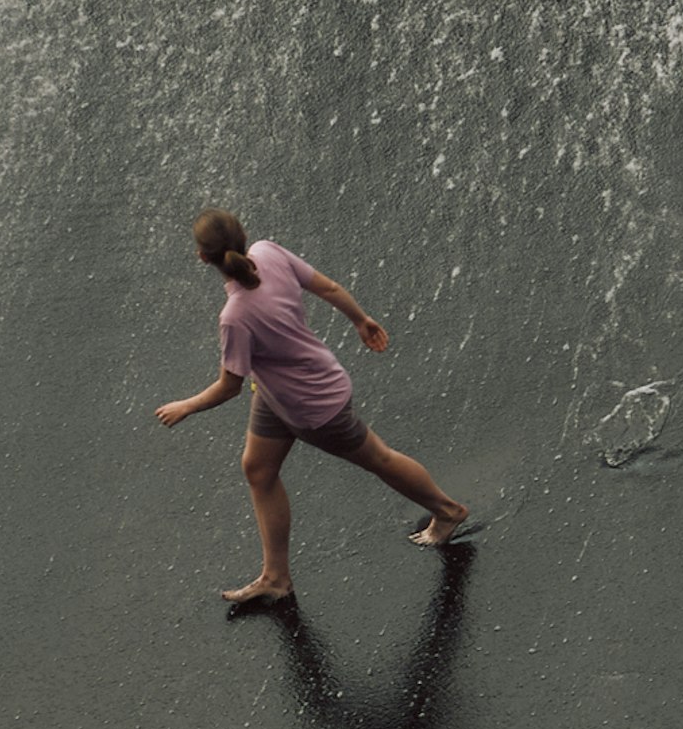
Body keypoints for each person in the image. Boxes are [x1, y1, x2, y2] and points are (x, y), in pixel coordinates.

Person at [154, 208, 471, 605]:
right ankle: (276, 578)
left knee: (379, 459)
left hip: (313, 407)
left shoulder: (235, 316)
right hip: (277, 395)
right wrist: (361, 320)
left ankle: (447, 510)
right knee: (258, 468)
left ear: (203, 258)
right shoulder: (268, 252)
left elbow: (228, 387)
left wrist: (186, 406)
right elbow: (330, 287)